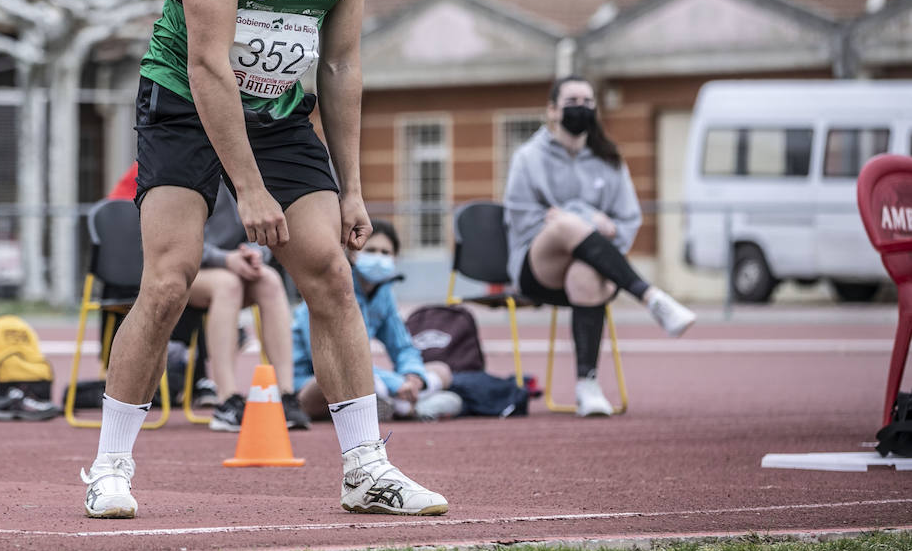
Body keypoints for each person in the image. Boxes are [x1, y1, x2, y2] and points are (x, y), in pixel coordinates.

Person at [81, 0, 445, 519]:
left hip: (279, 112)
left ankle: (366, 470)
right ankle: (109, 466)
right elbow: (207, 63)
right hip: (185, 101)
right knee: (170, 279)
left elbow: (340, 64)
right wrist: (247, 188)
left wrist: (351, 187)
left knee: (332, 274)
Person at [504, 75, 697, 417]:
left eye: (588, 102)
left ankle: (587, 385)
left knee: (585, 273)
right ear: (552, 110)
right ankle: (650, 296)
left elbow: (627, 221)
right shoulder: (528, 158)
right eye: (573, 102)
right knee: (565, 225)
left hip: (591, 271)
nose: (582, 108)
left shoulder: (609, 159)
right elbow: (522, 218)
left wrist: (579, 220)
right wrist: (587, 219)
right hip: (538, 266)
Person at [292, 219, 462, 424]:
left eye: (385, 253)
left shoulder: (384, 295)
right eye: (371, 250)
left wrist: (413, 376)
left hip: (369, 378)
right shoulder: (328, 291)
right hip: (310, 383)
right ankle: (406, 404)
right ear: (353, 254)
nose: (378, 257)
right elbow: (331, 361)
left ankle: (400, 399)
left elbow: (402, 347)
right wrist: (394, 383)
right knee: (334, 379)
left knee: (441, 370)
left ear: (395, 258)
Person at [190, 180, 309, 432]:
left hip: (236, 263)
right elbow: (175, 240)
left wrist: (255, 255)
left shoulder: (248, 173)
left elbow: (263, 229)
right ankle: (226, 400)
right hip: (186, 268)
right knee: (227, 285)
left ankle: (286, 395)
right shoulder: (192, 169)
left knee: (270, 280)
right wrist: (225, 259)